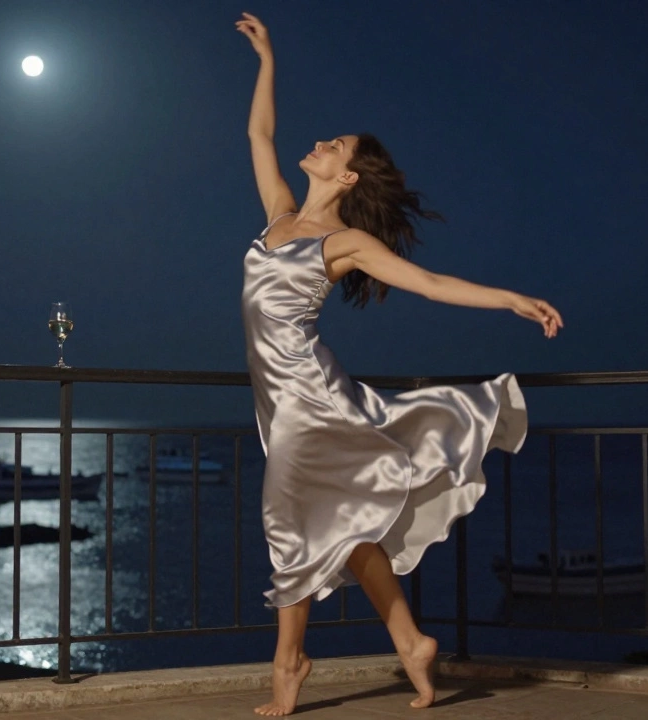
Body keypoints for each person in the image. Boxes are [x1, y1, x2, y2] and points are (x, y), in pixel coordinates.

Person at [235, 12, 563, 716]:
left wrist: (513, 299)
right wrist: (268, 59)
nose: (317, 142)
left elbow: (432, 284)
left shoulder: (342, 240)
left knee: (288, 522)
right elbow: (259, 134)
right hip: (282, 399)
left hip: (306, 401)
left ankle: (289, 664)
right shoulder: (279, 215)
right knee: (347, 523)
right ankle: (412, 643)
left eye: (333, 144)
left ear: (347, 174)